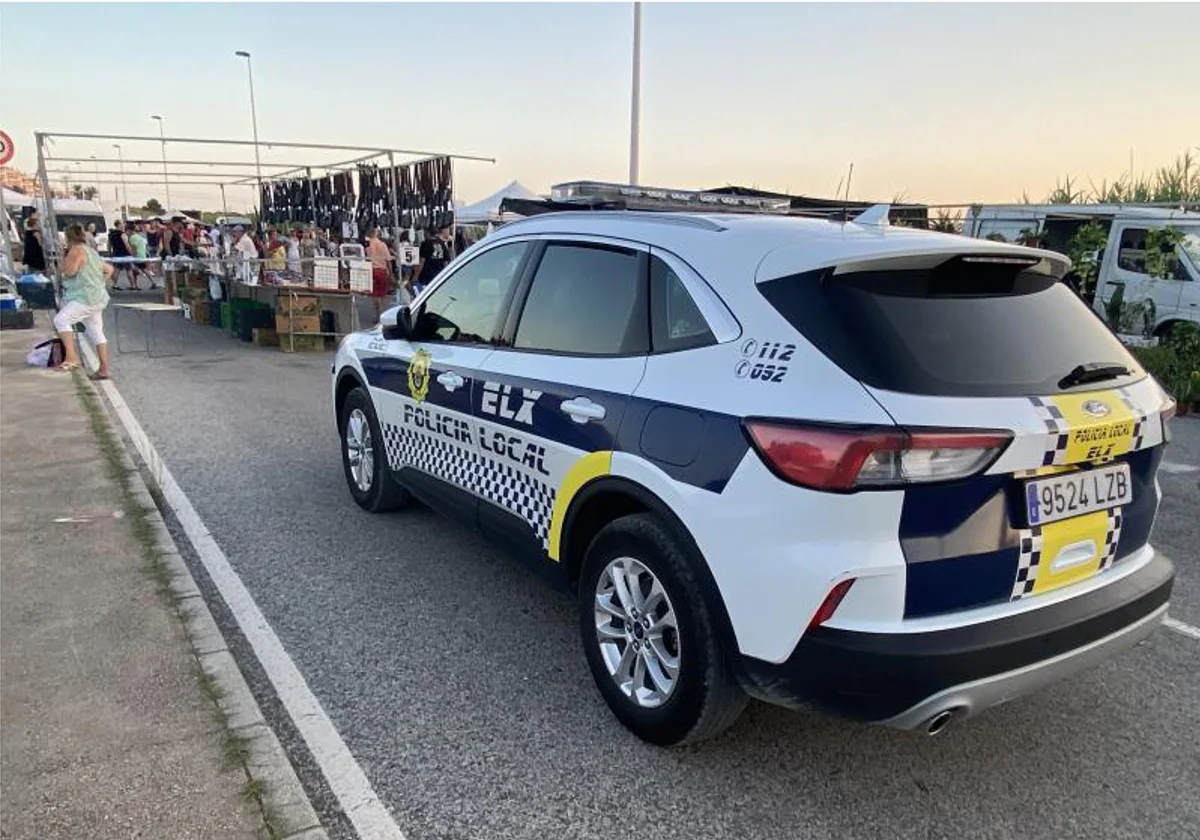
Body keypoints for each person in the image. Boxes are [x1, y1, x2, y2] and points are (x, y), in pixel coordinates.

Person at [53, 224, 114, 378]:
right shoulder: (91, 251)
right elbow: (109, 269)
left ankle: (71, 358)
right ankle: (104, 369)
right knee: (96, 331)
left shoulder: (75, 251)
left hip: (83, 297)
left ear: (68, 237)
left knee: (61, 321)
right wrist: (100, 283)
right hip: (97, 297)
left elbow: (69, 272)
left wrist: (63, 257)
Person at [414, 225, 453, 293]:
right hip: (438, 275)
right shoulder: (442, 243)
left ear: (427, 233)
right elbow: (446, 262)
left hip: (426, 276)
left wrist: (416, 276)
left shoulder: (425, 243)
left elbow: (422, 261)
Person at [365, 227, 392, 298]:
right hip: (382, 270)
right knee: (382, 293)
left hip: (371, 270)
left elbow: (367, 259)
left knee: (374, 292)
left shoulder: (368, 245)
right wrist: (390, 272)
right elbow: (388, 259)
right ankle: (381, 306)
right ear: (379, 235)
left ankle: (375, 305)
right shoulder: (383, 244)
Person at [107, 220, 134, 290]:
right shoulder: (122, 234)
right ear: (119, 225)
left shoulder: (110, 234)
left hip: (116, 254)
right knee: (129, 270)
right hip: (125, 254)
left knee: (116, 270)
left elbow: (109, 245)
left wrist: (110, 253)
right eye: (122, 224)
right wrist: (131, 252)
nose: (124, 225)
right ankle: (133, 285)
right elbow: (126, 244)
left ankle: (114, 285)